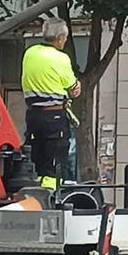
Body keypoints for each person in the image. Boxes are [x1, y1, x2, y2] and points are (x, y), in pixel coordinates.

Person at [22, 17, 81, 184]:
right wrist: (76, 85)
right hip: (54, 117)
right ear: (60, 38)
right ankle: (51, 196)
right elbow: (72, 87)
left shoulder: (30, 53)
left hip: (33, 116)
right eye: (65, 38)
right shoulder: (61, 58)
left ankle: (35, 190)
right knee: (54, 163)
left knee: (36, 158)